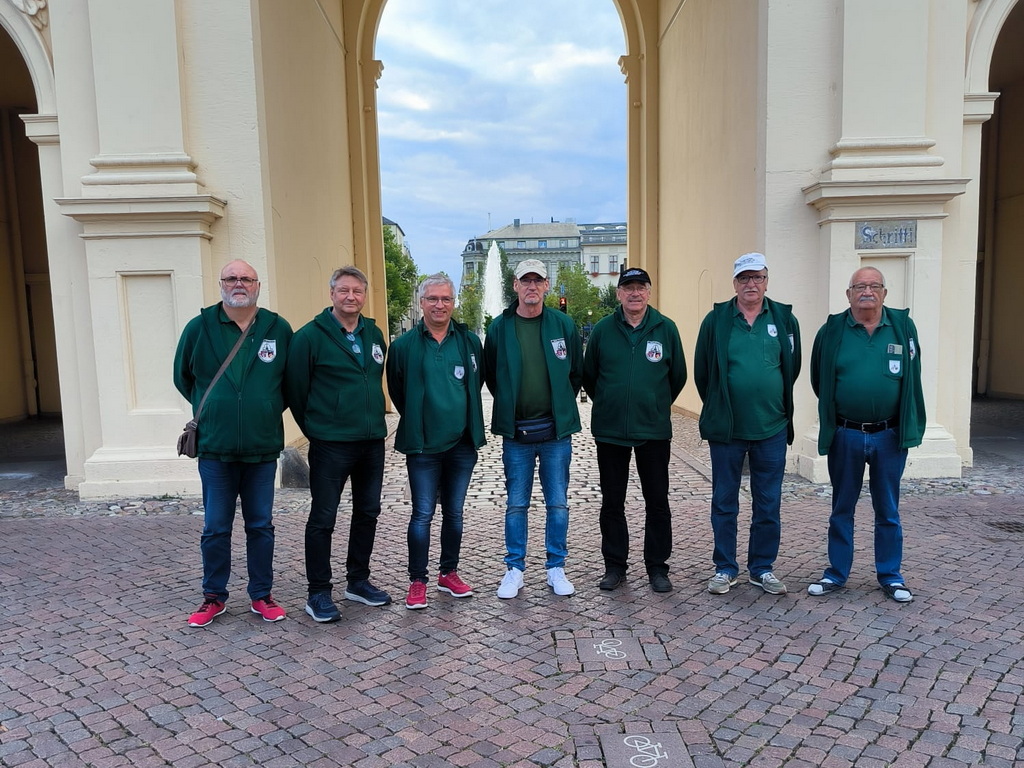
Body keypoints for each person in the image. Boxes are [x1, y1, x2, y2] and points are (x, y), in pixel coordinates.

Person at [174, 259, 293, 627]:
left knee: (261, 526)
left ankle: (261, 594)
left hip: (261, 448)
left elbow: (290, 382)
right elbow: (182, 377)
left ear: (257, 285)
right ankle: (213, 597)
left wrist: (263, 407)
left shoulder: (277, 328)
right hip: (215, 448)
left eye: (246, 278)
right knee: (215, 527)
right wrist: (217, 409)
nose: (238, 283)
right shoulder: (199, 328)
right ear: (221, 284)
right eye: (231, 278)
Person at [807, 266, 924, 603]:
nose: (867, 292)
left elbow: (913, 374)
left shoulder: (902, 327)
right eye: (860, 286)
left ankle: (891, 575)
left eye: (874, 286)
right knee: (842, 507)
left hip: (889, 435)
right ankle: (836, 573)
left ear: (884, 292)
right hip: (847, 433)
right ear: (849, 294)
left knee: (888, 509)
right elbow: (819, 379)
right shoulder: (831, 330)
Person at [286, 266, 391, 623]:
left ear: (364, 295)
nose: (351, 297)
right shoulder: (309, 337)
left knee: (368, 512)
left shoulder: (373, 334)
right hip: (331, 444)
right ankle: (318, 592)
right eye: (344, 290)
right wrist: (317, 429)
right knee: (323, 517)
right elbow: (296, 390)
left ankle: (357, 581)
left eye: (357, 291)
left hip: (371, 441)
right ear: (332, 294)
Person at [694, 252, 801, 596]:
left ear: (766, 281)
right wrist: (721, 405)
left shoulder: (784, 319)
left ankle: (762, 568)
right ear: (735, 283)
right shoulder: (716, 320)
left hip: (772, 427)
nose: (751, 284)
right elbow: (702, 372)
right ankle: (725, 568)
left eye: (757, 277)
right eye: (744, 278)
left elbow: (792, 366)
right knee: (724, 502)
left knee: (768, 503)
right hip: (728, 430)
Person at [582, 267, 687, 592]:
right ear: (619, 294)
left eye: (641, 287)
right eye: (628, 288)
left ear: (649, 293)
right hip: (611, 431)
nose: (635, 293)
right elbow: (590, 376)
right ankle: (615, 567)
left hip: (653, 431)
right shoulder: (603, 330)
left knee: (657, 502)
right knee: (612, 502)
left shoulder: (666, 329)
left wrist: (654, 403)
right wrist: (610, 403)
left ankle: (658, 568)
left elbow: (678, 376)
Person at [484, 259, 583, 598]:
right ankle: (514, 569)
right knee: (516, 504)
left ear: (546, 285)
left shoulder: (563, 324)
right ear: (515, 286)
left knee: (558, 503)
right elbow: (493, 375)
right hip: (517, 434)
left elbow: (575, 372)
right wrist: (512, 403)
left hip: (556, 433)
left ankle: (556, 567)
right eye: (525, 280)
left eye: (537, 281)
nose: (531, 286)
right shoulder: (500, 328)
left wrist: (559, 404)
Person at [386, 274, 486, 610]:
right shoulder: (403, 347)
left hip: (461, 445)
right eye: (432, 299)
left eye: (445, 299)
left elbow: (476, 382)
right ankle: (418, 580)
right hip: (423, 447)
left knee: (454, 513)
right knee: (422, 514)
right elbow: (398, 390)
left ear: (453, 302)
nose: (439, 305)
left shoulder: (469, 342)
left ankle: (448, 573)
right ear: (421, 303)